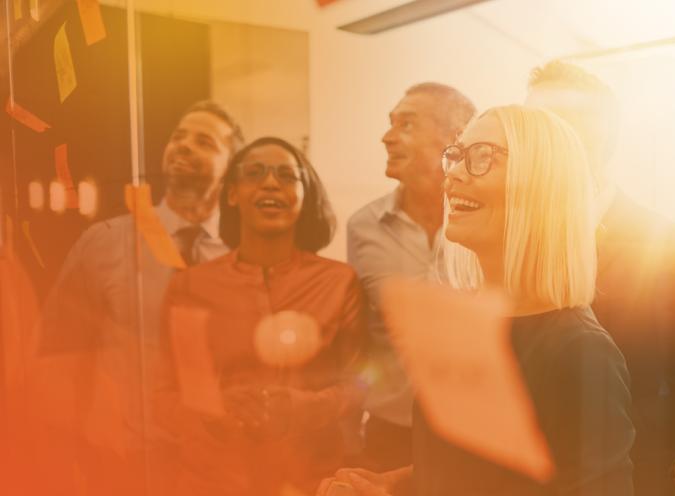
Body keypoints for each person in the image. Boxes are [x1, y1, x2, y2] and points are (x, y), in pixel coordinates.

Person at [319, 105, 635, 495]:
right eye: (455, 155)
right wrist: (394, 485)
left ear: (541, 185)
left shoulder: (581, 351)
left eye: (483, 156)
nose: (452, 173)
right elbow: (465, 471)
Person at [526, 60, 675, 495]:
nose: (533, 139)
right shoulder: (515, 242)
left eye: (553, 122)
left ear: (602, 137)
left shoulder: (674, 245)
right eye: (528, 124)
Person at [33, 101, 243, 495]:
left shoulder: (242, 257)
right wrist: (61, 458)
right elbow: (57, 355)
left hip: (216, 467)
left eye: (204, 142)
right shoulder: (106, 242)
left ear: (231, 168)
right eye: (179, 136)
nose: (184, 146)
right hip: (120, 462)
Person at [151, 137, 367, 495]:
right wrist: (215, 410)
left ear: (305, 195)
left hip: (311, 480)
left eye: (287, 175)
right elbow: (165, 395)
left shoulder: (339, 282)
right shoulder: (191, 286)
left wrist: (304, 408)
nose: (270, 183)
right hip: (213, 481)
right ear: (232, 194)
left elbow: (361, 384)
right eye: (254, 173)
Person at [347, 82, 475, 470]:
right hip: (389, 435)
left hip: (473, 435)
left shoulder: (491, 221)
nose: (386, 137)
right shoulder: (363, 227)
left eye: (406, 124)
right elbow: (361, 333)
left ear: (456, 139)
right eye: (391, 123)